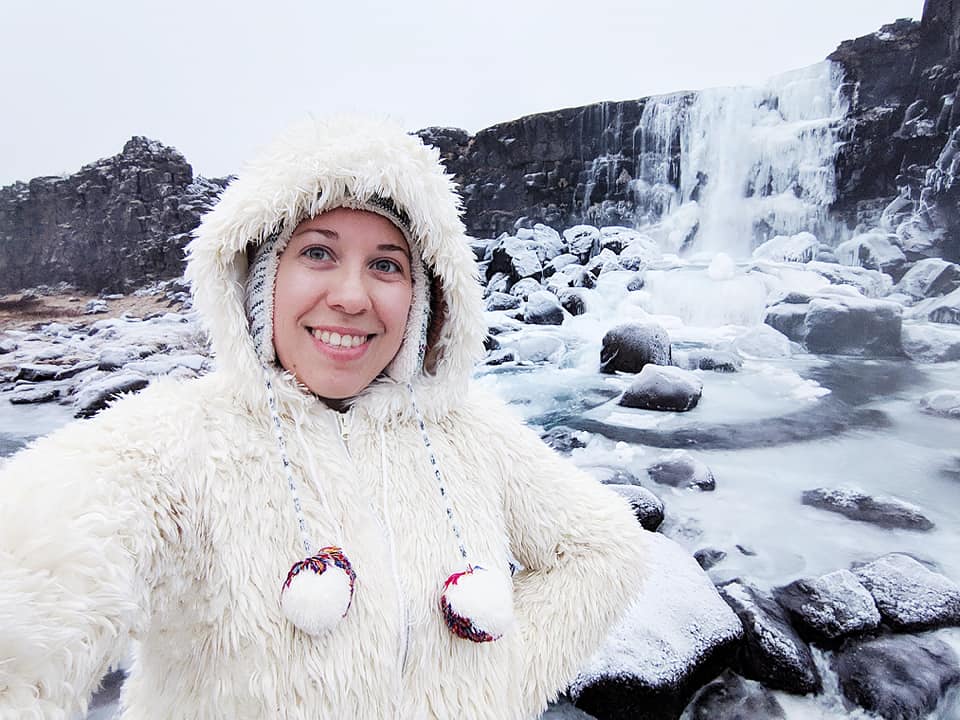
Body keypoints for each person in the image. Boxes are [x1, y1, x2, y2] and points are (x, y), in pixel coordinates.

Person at [0, 116, 647, 719]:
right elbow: (30, 594)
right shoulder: (174, 443)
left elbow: (602, 551)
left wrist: (484, 692)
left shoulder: (471, 432)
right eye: (317, 253)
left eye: (386, 265)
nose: (351, 297)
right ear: (260, 281)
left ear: (423, 300)